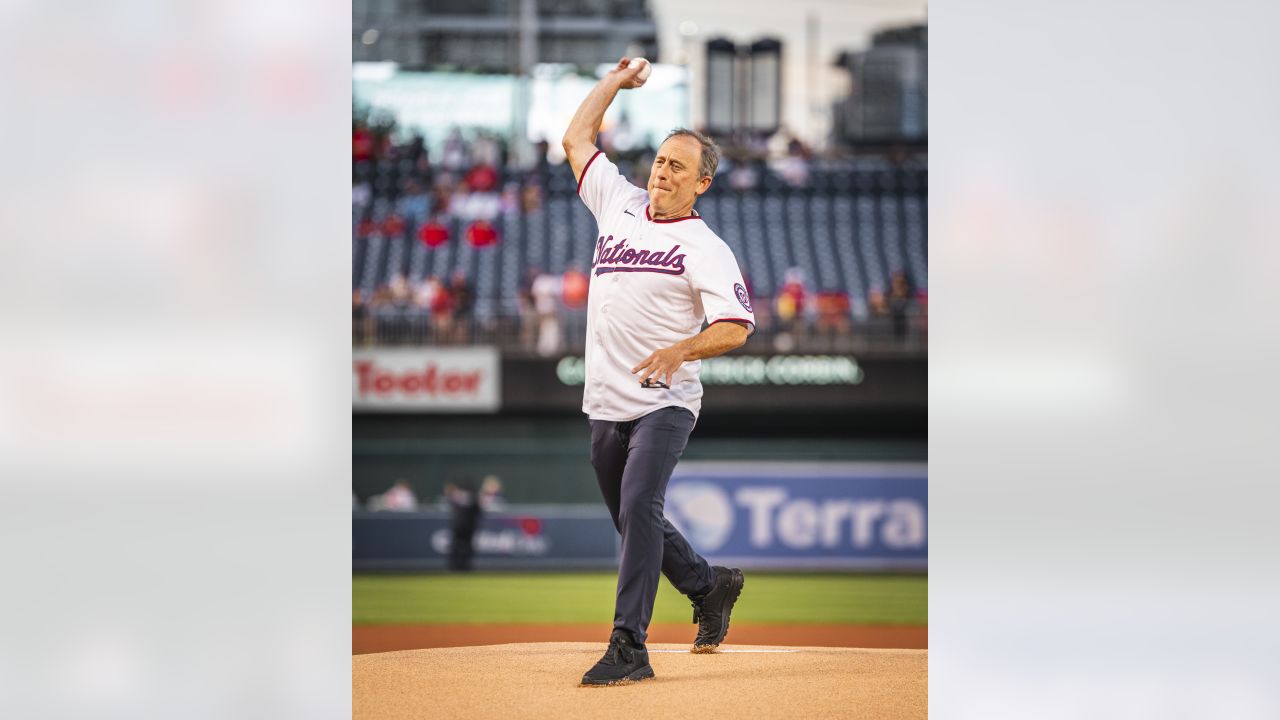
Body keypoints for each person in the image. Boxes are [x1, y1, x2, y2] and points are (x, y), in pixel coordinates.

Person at [562, 57, 754, 687]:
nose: (662, 172)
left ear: (702, 184)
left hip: (665, 401)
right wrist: (614, 84)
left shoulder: (705, 246)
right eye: (661, 160)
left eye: (678, 167)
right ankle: (708, 585)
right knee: (630, 515)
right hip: (606, 400)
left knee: (641, 502)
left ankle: (629, 646)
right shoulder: (618, 203)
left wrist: (680, 352)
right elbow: (576, 139)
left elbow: (735, 326)